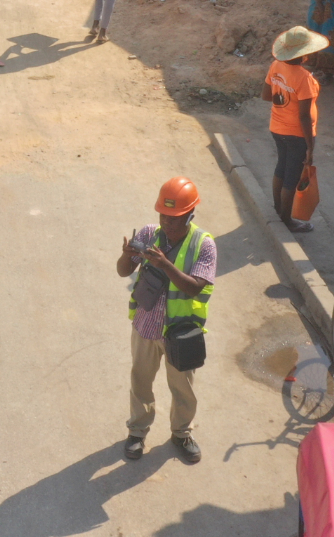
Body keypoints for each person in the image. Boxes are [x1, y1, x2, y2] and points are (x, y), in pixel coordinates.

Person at [116, 176, 216, 465]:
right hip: (146, 326)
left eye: (175, 218)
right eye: (163, 215)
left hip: (181, 333)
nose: (167, 223)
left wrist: (165, 265)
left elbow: (196, 286)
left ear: (190, 215)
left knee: (183, 387)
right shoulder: (149, 233)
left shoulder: (204, 245)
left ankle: (181, 433)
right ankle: (137, 431)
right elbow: (124, 272)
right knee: (140, 380)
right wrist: (126, 257)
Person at [262, 26, 327, 232]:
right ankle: (285, 220)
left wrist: (283, 96)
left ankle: (277, 208)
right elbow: (304, 116)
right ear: (305, 55)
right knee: (292, 175)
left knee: (281, 166)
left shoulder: (276, 65)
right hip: (297, 134)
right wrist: (310, 146)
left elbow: (266, 95)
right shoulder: (305, 79)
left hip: (277, 127)